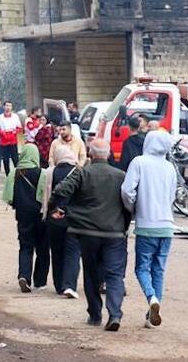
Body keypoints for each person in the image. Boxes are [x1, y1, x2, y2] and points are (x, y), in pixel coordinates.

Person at [50, 139, 129, 329]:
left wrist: (60, 207)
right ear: (109, 154)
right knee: (114, 275)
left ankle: (95, 315)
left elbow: (61, 190)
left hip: (87, 232)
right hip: (114, 232)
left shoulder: (81, 172)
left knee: (91, 273)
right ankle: (115, 314)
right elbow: (130, 200)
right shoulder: (121, 176)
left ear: (90, 154)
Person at [121, 130, 177, 328]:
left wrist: (134, 208)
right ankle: (151, 313)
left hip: (146, 225)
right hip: (167, 226)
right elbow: (172, 197)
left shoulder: (139, 162)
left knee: (142, 267)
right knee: (158, 270)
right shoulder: (170, 167)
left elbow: (127, 191)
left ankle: (151, 297)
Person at [2, 143, 49, 293]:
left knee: (25, 246)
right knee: (42, 248)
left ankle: (24, 275)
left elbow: (9, 196)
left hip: (22, 216)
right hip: (40, 216)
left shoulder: (14, 173)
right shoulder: (42, 173)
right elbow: (44, 196)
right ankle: (40, 281)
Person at [42, 144, 81, 298]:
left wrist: (51, 210)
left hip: (54, 217)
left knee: (57, 252)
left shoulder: (51, 172)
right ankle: (69, 284)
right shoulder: (78, 172)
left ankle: (58, 285)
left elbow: (47, 196)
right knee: (72, 252)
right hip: (73, 217)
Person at [0, 101, 23, 174]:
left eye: (10, 106)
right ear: (4, 107)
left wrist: (14, 132)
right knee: (5, 159)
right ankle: (8, 175)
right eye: (6, 106)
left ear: (12, 107)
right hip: (3, 142)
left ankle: (18, 174)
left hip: (13, 140)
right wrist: (2, 133)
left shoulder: (15, 116)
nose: (8, 107)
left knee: (15, 158)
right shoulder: (0, 117)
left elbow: (20, 128)